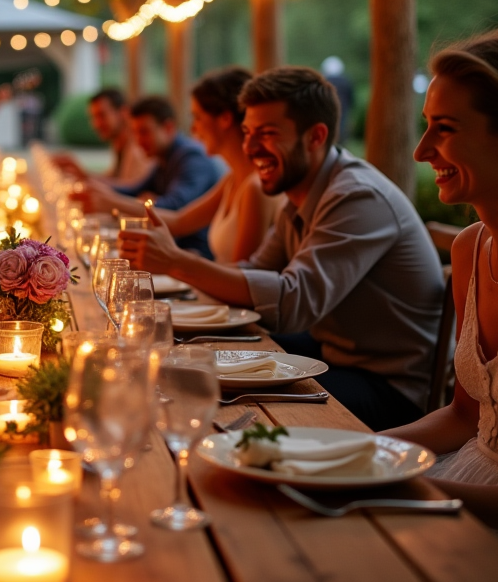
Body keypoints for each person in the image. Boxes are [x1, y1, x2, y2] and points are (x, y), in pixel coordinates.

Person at [118, 67, 444, 431]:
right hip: (335, 356)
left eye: (268, 134)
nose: (250, 147)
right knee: (193, 366)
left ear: (315, 137)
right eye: (247, 133)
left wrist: (177, 264)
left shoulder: (355, 196)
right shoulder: (302, 194)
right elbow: (254, 271)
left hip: (389, 388)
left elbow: (291, 305)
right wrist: (181, 268)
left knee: (221, 413)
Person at [385, 28, 498, 579]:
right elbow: (467, 416)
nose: (421, 152)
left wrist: (404, 484)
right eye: (425, 127)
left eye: (444, 129)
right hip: (463, 485)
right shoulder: (470, 248)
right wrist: (343, 450)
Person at [145, 68, 282, 263]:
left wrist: (177, 261)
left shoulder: (256, 187)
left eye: (197, 117)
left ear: (225, 119)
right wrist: (110, 205)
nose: (193, 128)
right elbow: (178, 222)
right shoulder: (233, 178)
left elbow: (240, 278)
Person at [77, 95, 221, 257]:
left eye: (144, 132)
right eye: (135, 133)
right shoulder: (164, 156)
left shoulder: (192, 158)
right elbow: (136, 190)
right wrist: (97, 189)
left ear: (168, 128)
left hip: (196, 255)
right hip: (172, 248)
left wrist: (111, 202)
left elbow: (174, 207)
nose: (138, 141)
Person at [54, 88, 153, 188]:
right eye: (94, 117)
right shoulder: (120, 144)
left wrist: (83, 176)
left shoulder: (138, 148)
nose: (96, 124)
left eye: (102, 115)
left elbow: (129, 192)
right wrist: (79, 172)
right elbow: (112, 179)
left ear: (124, 113)